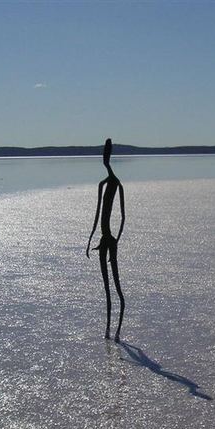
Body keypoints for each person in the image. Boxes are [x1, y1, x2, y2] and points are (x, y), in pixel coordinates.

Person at [86, 138, 125, 340]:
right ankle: (109, 329)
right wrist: (91, 238)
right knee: (107, 287)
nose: (104, 159)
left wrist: (116, 239)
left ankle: (116, 329)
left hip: (110, 240)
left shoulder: (116, 184)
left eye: (106, 155)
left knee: (116, 287)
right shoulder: (102, 184)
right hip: (103, 240)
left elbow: (123, 216)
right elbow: (97, 213)